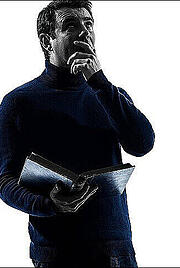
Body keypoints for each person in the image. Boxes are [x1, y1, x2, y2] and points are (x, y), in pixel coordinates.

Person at [0, 0, 154, 267]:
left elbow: (142, 144)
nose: (84, 31)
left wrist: (99, 82)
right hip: (56, 252)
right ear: (48, 42)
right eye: (71, 25)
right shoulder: (19, 102)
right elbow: (4, 181)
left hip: (116, 250)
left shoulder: (108, 94)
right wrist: (48, 203)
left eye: (89, 24)